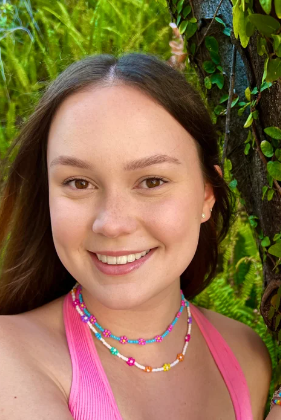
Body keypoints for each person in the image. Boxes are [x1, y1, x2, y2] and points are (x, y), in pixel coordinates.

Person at [0, 53, 273, 420]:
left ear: (206, 195)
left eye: (152, 181)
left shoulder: (246, 354)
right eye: (78, 183)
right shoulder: (9, 354)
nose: (112, 224)